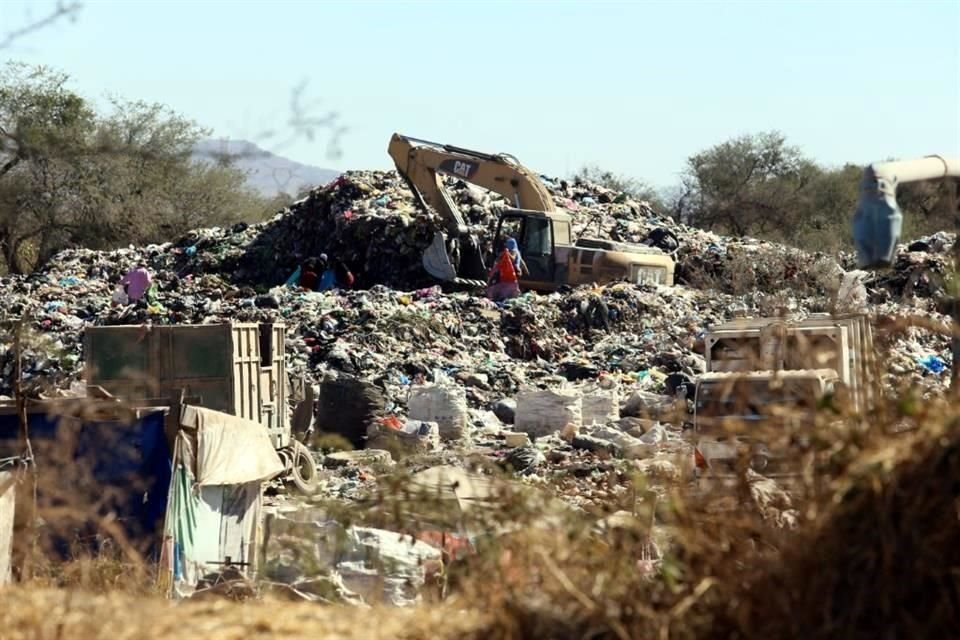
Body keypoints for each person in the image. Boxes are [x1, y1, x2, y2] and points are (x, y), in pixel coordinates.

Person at [486, 238, 527, 302]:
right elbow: (522, 263)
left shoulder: (514, 251)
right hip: (508, 271)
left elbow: (513, 259)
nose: (506, 245)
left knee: (509, 285)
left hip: (512, 271)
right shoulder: (511, 251)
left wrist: (507, 253)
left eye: (508, 244)